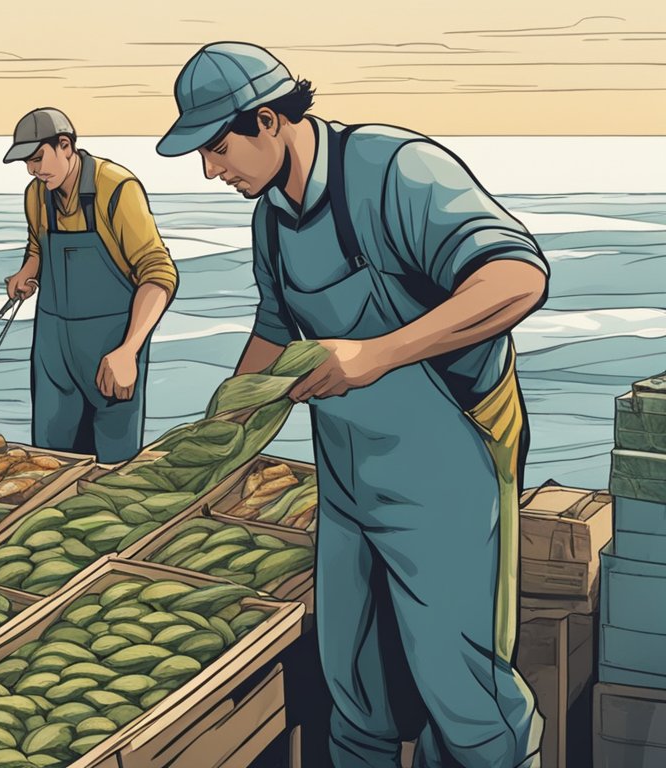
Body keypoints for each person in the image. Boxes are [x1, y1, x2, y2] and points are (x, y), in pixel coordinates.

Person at [157, 43, 550, 767]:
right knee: (356, 683)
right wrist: (213, 436)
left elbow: (516, 277)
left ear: (269, 120)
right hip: (346, 470)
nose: (212, 172)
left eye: (216, 149)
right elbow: (275, 332)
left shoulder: (396, 170)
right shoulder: (271, 212)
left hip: (446, 463)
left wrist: (376, 354)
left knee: (462, 693)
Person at [3, 107, 178, 464]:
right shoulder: (37, 195)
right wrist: (28, 271)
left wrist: (129, 350)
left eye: (38, 158)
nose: (34, 170)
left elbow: (159, 273)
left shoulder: (117, 189)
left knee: (114, 467)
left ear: (65, 145)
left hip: (110, 350)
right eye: (27, 163)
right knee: (49, 463)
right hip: (53, 353)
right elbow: (38, 245)